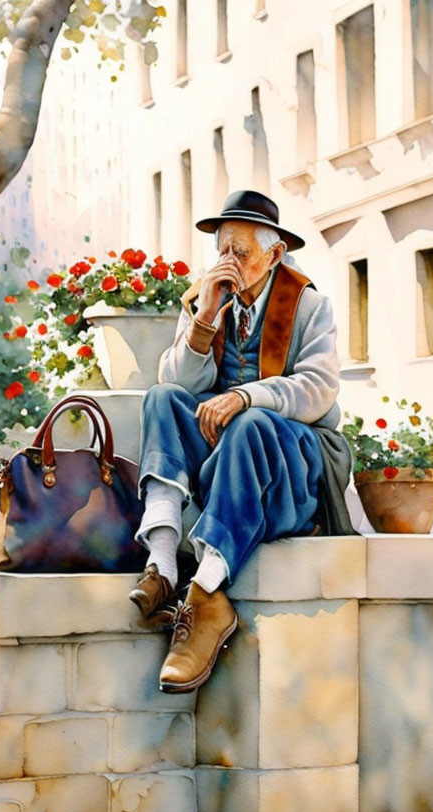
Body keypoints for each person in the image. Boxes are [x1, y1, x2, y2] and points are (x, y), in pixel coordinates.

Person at [129, 190, 355, 693]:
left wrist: (246, 398)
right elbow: (179, 383)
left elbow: (319, 389)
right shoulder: (206, 297)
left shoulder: (308, 303)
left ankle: (206, 593)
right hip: (228, 460)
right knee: (163, 397)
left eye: (242, 252)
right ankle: (162, 560)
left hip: (292, 465)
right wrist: (205, 321)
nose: (229, 262)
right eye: (223, 250)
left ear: (274, 255)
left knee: (250, 423)